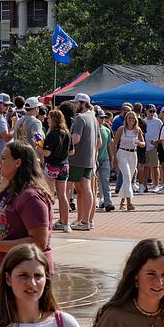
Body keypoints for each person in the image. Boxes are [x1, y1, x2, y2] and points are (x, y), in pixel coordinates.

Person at [0, 141, 55, 295]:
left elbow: (39, 243)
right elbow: (8, 231)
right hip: (10, 272)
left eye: (4, 158)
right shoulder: (12, 192)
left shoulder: (31, 197)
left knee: (21, 319)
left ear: (18, 162)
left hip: (28, 278)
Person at [67, 94, 98, 231]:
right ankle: (83, 220)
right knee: (83, 190)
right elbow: (99, 142)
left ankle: (84, 221)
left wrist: (63, 146)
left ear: (83, 103)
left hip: (78, 159)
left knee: (80, 190)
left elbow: (75, 139)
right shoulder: (93, 118)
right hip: (88, 159)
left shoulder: (80, 118)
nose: (74, 106)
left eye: (76, 103)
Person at [43, 109, 73, 229]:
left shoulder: (51, 135)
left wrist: (37, 147)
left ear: (53, 120)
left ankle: (48, 222)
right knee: (63, 195)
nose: (47, 120)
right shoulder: (67, 133)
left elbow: (47, 153)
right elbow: (72, 151)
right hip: (64, 165)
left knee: (50, 195)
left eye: (49, 118)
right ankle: (66, 223)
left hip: (52, 165)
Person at [114, 113, 143, 211]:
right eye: (129, 118)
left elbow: (143, 144)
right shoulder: (121, 129)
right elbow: (114, 143)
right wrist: (114, 157)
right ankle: (129, 202)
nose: (131, 120)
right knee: (127, 176)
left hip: (133, 154)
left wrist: (138, 142)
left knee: (128, 179)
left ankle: (122, 202)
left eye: (133, 118)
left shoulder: (137, 130)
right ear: (126, 119)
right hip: (122, 153)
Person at [141, 106, 163, 194]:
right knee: (145, 167)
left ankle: (156, 185)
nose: (152, 113)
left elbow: (162, 133)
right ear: (146, 111)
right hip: (144, 147)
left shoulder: (158, 121)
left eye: (154, 111)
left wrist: (157, 142)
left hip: (154, 147)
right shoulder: (143, 121)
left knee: (155, 166)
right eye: (150, 111)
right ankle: (144, 185)